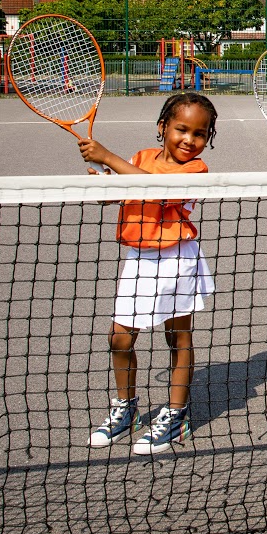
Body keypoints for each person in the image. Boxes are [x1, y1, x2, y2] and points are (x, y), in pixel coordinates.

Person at [79, 92, 219, 454]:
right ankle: (126, 408)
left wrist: (107, 155)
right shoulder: (140, 158)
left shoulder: (196, 169)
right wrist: (103, 184)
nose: (190, 140)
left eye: (200, 134)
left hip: (177, 260)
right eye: (181, 129)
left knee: (179, 339)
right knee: (119, 339)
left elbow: (157, 192)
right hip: (139, 260)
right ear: (163, 127)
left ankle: (176, 415)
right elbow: (121, 192)